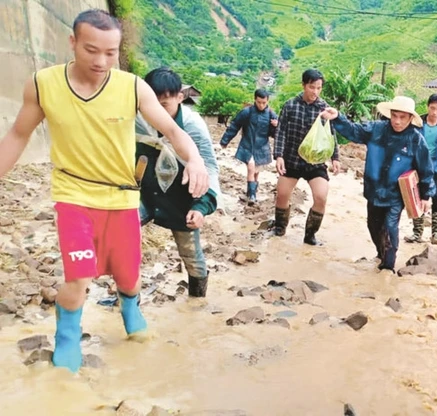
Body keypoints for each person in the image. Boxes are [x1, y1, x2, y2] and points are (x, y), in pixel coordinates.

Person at [0, 9, 209, 373]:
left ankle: (130, 305)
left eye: (111, 53)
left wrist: (195, 160)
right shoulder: (43, 84)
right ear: (73, 43)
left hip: (122, 198)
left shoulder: (132, 87)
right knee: (79, 274)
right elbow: (18, 135)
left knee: (128, 277)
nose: (101, 61)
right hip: (73, 196)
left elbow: (172, 132)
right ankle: (67, 337)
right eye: (91, 50)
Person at [320, 96, 435, 272]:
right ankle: (381, 254)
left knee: (390, 227)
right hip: (373, 190)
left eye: (402, 117)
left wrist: (426, 195)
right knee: (373, 226)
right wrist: (338, 117)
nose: (397, 121)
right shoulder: (376, 129)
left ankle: (388, 268)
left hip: (396, 194)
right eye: (394, 116)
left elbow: (426, 168)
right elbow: (354, 131)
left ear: (410, 118)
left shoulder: (416, 140)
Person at [136, 67, 221, 298]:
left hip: (180, 199)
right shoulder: (137, 119)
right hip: (142, 193)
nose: (156, 113)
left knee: (191, 255)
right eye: (150, 104)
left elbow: (210, 168)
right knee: (123, 232)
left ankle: (197, 301)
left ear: (180, 97)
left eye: (163, 105)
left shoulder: (193, 127)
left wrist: (201, 207)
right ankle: (126, 296)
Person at [271, 69, 341, 244]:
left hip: (315, 162)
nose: (315, 92)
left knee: (321, 196)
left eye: (319, 88)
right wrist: (279, 155)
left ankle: (310, 234)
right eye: (312, 87)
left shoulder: (324, 109)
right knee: (282, 194)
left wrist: (335, 158)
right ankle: (280, 228)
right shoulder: (290, 105)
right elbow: (281, 132)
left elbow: (331, 135)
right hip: (292, 160)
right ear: (303, 85)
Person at [405, 94, 437, 245]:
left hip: (436, 168)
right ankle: (417, 233)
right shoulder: (417, 123)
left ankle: (435, 233)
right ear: (428, 107)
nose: (434, 112)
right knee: (417, 198)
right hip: (417, 167)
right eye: (432, 108)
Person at [219, 88, 277, 205]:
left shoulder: (271, 115)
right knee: (251, 167)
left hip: (262, 147)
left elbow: (274, 135)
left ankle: (252, 191)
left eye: (264, 103)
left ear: (267, 101)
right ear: (255, 100)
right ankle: (252, 196)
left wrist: (276, 126)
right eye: (259, 102)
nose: (261, 105)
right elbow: (234, 126)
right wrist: (225, 141)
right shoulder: (247, 112)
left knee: (256, 171)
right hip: (248, 145)